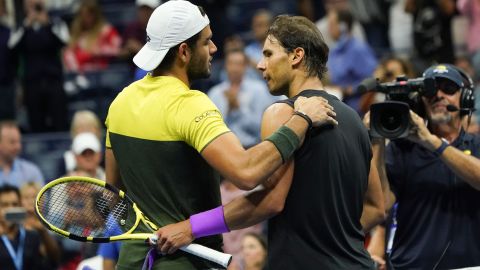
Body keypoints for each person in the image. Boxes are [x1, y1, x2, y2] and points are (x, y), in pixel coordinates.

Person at [104, 1, 337, 269]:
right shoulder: (190, 104)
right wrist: (301, 120)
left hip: (132, 262)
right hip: (186, 262)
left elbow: (114, 193)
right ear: (183, 52)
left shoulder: (120, 102)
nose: (214, 49)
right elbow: (247, 173)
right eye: (206, 42)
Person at [154, 14, 385, 270]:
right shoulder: (354, 120)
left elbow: (272, 201)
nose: (260, 65)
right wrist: (335, 240)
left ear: (296, 56)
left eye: (268, 54)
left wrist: (192, 227)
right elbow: (377, 207)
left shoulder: (281, 113)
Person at [367, 64, 480, 269]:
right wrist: (377, 140)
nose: (438, 95)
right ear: (421, 101)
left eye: (448, 89)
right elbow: (381, 205)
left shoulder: (476, 144)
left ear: (464, 98)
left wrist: (431, 142)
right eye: (430, 90)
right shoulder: (402, 150)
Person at [8, 0, 69, 132]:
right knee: (36, 122)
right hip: (32, 83)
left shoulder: (55, 22)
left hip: (54, 81)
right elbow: (11, 46)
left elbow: (65, 40)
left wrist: (47, 22)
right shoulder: (20, 26)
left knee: (59, 120)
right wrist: (27, 24)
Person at [208, 48, 278, 147]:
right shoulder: (215, 93)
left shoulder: (258, 90)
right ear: (225, 66)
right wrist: (229, 110)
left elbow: (261, 127)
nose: (234, 68)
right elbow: (212, 128)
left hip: (251, 146)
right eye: (231, 63)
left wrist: (238, 109)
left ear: (245, 66)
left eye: (238, 64)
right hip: (223, 149)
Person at [326, 8, 377, 114]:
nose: (328, 29)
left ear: (343, 26)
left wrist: (348, 90)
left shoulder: (358, 49)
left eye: (331, 24)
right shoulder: (335, 50)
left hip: (356, 108)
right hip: (337, 104)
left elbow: (374, 79)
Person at [0, 184, 60, 269]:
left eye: (14, 204)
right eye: (5, 205)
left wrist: (42, 231)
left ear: (20, 206)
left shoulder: (31, 235)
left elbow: (54, 260)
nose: (10, 209)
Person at [63, 0, 121, 73]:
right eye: (82, 16)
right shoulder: (77, 33)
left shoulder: (106, 30)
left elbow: (118, 50)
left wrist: (100, 50)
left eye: (88, 15)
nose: (85, 19)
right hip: (80, 74)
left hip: (100, 72)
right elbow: (69, 53)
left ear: (95, 15)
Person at [0, 121, 44, 187]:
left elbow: (41, 196)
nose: (18, 147)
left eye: (19, 141)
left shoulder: (32, 172)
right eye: (12, 142)